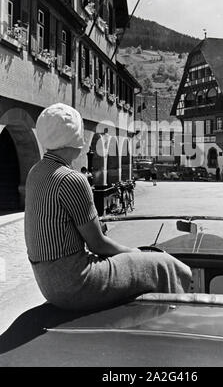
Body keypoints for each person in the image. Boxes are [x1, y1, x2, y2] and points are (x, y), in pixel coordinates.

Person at [25, 103, 191, 312]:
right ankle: (177, 316)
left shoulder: (36, 172)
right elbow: (98, 244)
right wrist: (135, 253)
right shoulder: (71, 179)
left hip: (48, 282)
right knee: (162, 263)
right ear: (74, 138)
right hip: (75, 283)